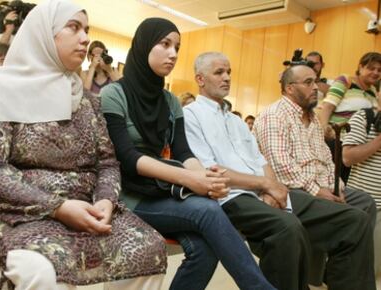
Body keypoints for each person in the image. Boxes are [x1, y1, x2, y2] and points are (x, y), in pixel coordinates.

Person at [0, 1, 167, 289]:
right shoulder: (3, 87)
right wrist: (57, 207)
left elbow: (107, 162)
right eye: (73, 27)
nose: (85, 37)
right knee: (46, 268)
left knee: (149, 248)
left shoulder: (86, 99)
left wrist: (105, 201)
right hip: (17, 211)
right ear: (44, 35)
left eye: (86, 29)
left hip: (86, 206)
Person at [101, 18, 275, 290]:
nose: (173, 54)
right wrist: (190, 180)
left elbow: (183, 151)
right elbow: (127, 156)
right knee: (208, 211)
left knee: (205, 249)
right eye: (164, 44)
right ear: (144, 45)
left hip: (161, 191)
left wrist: (207, 178)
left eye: (177, 47)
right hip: (127, 195)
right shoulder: (113, 94)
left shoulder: (170, 101)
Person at [184, 52, 376, 290]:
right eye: (219, 72)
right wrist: (265, 185)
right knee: (289, 228)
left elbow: (261, 161)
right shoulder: (190, 115)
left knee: (354, 219)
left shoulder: (234, 121)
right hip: (231, 195)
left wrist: (273, 188)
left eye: (229, 72)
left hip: (265, 190)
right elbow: (210, 171)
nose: (227, 78)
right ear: (200, 79)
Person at [343, 96, 381, 276]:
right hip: (363, 205)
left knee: (373, 274)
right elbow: (347, 158)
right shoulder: (364, 118)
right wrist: (379, 141)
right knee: (358, 272)